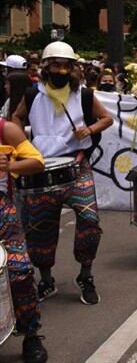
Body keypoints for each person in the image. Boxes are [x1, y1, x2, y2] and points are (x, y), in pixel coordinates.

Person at [12, 41, 114, 305]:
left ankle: (86, 275)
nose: (61, 70)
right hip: (40, 167)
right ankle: (46, 279)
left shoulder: (84, 95)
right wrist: (21, 143)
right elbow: (16, 118)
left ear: (73, 69)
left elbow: (106, 119)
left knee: (90, 221)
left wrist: (89, 130)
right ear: (45, 67)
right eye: (56, 65)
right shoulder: (32, 94)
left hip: (76, 166)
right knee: (40, 228)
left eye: (66, 66)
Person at [0, 119, 48, 362]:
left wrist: (10, 164)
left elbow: (37, 162)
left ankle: (31, 334)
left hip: (3, 214)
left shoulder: (5, 129)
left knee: (19, 271)